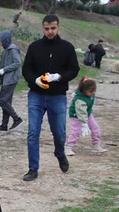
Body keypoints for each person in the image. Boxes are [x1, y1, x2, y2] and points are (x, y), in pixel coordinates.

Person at [21, 14, 80, 182]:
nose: (50, 31)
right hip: (36, 95)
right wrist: (35, 80)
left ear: (58, 27)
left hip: (57, 96)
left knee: (59, 133)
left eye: (53, 28)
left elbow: (74, 69)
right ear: (43, 28)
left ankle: (60, 154)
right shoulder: (34, 47)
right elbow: (27, 69)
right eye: (47, 29)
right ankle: (33, 168)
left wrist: (59, 77)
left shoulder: (67, 48)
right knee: (33, 132)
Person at [65, 77, 106, 156]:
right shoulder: (80, 100)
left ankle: (96, 144)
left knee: (95, 128)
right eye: (91, 91)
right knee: (76, 131)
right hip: (76, 116)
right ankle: (68, 146)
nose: (93, 93)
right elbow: (81, 112)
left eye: (94, 91)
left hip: (87, 114)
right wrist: (84, 124)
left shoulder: (90, 94)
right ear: (84, 90)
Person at [0, 30, 23, 131]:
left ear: (5, 39)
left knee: (2, 100)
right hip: (7, 78)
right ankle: (4, 125)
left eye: (0, 39)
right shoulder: (7, 49)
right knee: (6, 102)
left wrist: (4, 70)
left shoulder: (12, 49)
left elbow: (17, 63)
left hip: (10, 79)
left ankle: (16, 118)